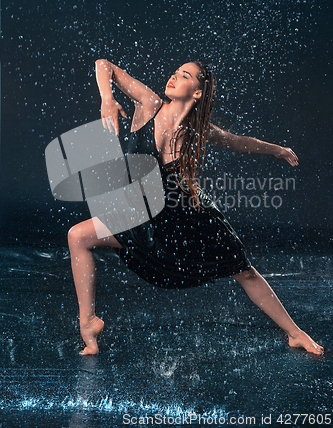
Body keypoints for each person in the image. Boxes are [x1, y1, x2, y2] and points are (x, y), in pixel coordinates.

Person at [68, 59, 324, 357]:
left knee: (245, 272)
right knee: (78, 237)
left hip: (187, 215)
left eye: (184, 75)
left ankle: (295, 333)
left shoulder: (197, 131)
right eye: (175, 71)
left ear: (198, 93)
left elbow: (239, 142)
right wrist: (107, 99)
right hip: (143, 217)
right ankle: (88, 323)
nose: (174, 76)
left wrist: (278, 150)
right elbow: (104, 65)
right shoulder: (149, 104)